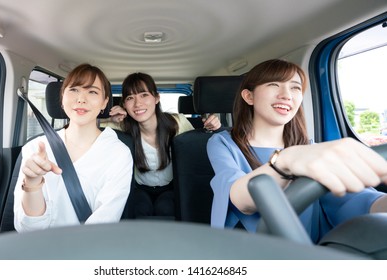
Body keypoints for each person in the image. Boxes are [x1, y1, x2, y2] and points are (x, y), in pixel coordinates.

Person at [207, 59, 387, 242]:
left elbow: (355, 199)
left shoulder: (311, 150)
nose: (287, 95)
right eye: (273, 84)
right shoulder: (223, 143)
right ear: (249, 97)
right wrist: (284, 161)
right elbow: (238, 198)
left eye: (295, 88)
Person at [14, 63, 133, 232]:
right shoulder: (34, 148)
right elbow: (27, 230)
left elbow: (101, 228)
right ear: (62, 97)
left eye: (92, 92)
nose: (81, 99)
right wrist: (32, 183)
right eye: (74, 90)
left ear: (104, 102)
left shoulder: (118, 154)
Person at [107, 72, 221, 218]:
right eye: (130, 98)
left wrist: (214, 128)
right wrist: (111, 120)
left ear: (156, 98)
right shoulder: (120, 128)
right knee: (137, 209)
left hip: (172, 187)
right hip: (138, 188)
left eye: (144, 95)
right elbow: (92, 134)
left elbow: (198, 151)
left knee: (166, 208)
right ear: (124, 105)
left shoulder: (178, 123)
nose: (137, 104)